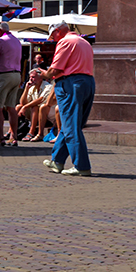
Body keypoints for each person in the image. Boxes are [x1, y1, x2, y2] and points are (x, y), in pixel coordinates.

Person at [43, 18, 95, 176]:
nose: (53, 40)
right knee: (71, 124)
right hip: (88, 82)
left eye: (53, 36)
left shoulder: (65, 42)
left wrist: (44, 74)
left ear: (58, 31)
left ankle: (81, 165)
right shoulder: (83, 42)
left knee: (71, 125)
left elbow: (55, 69)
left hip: (71, 84)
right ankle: (57, 161)